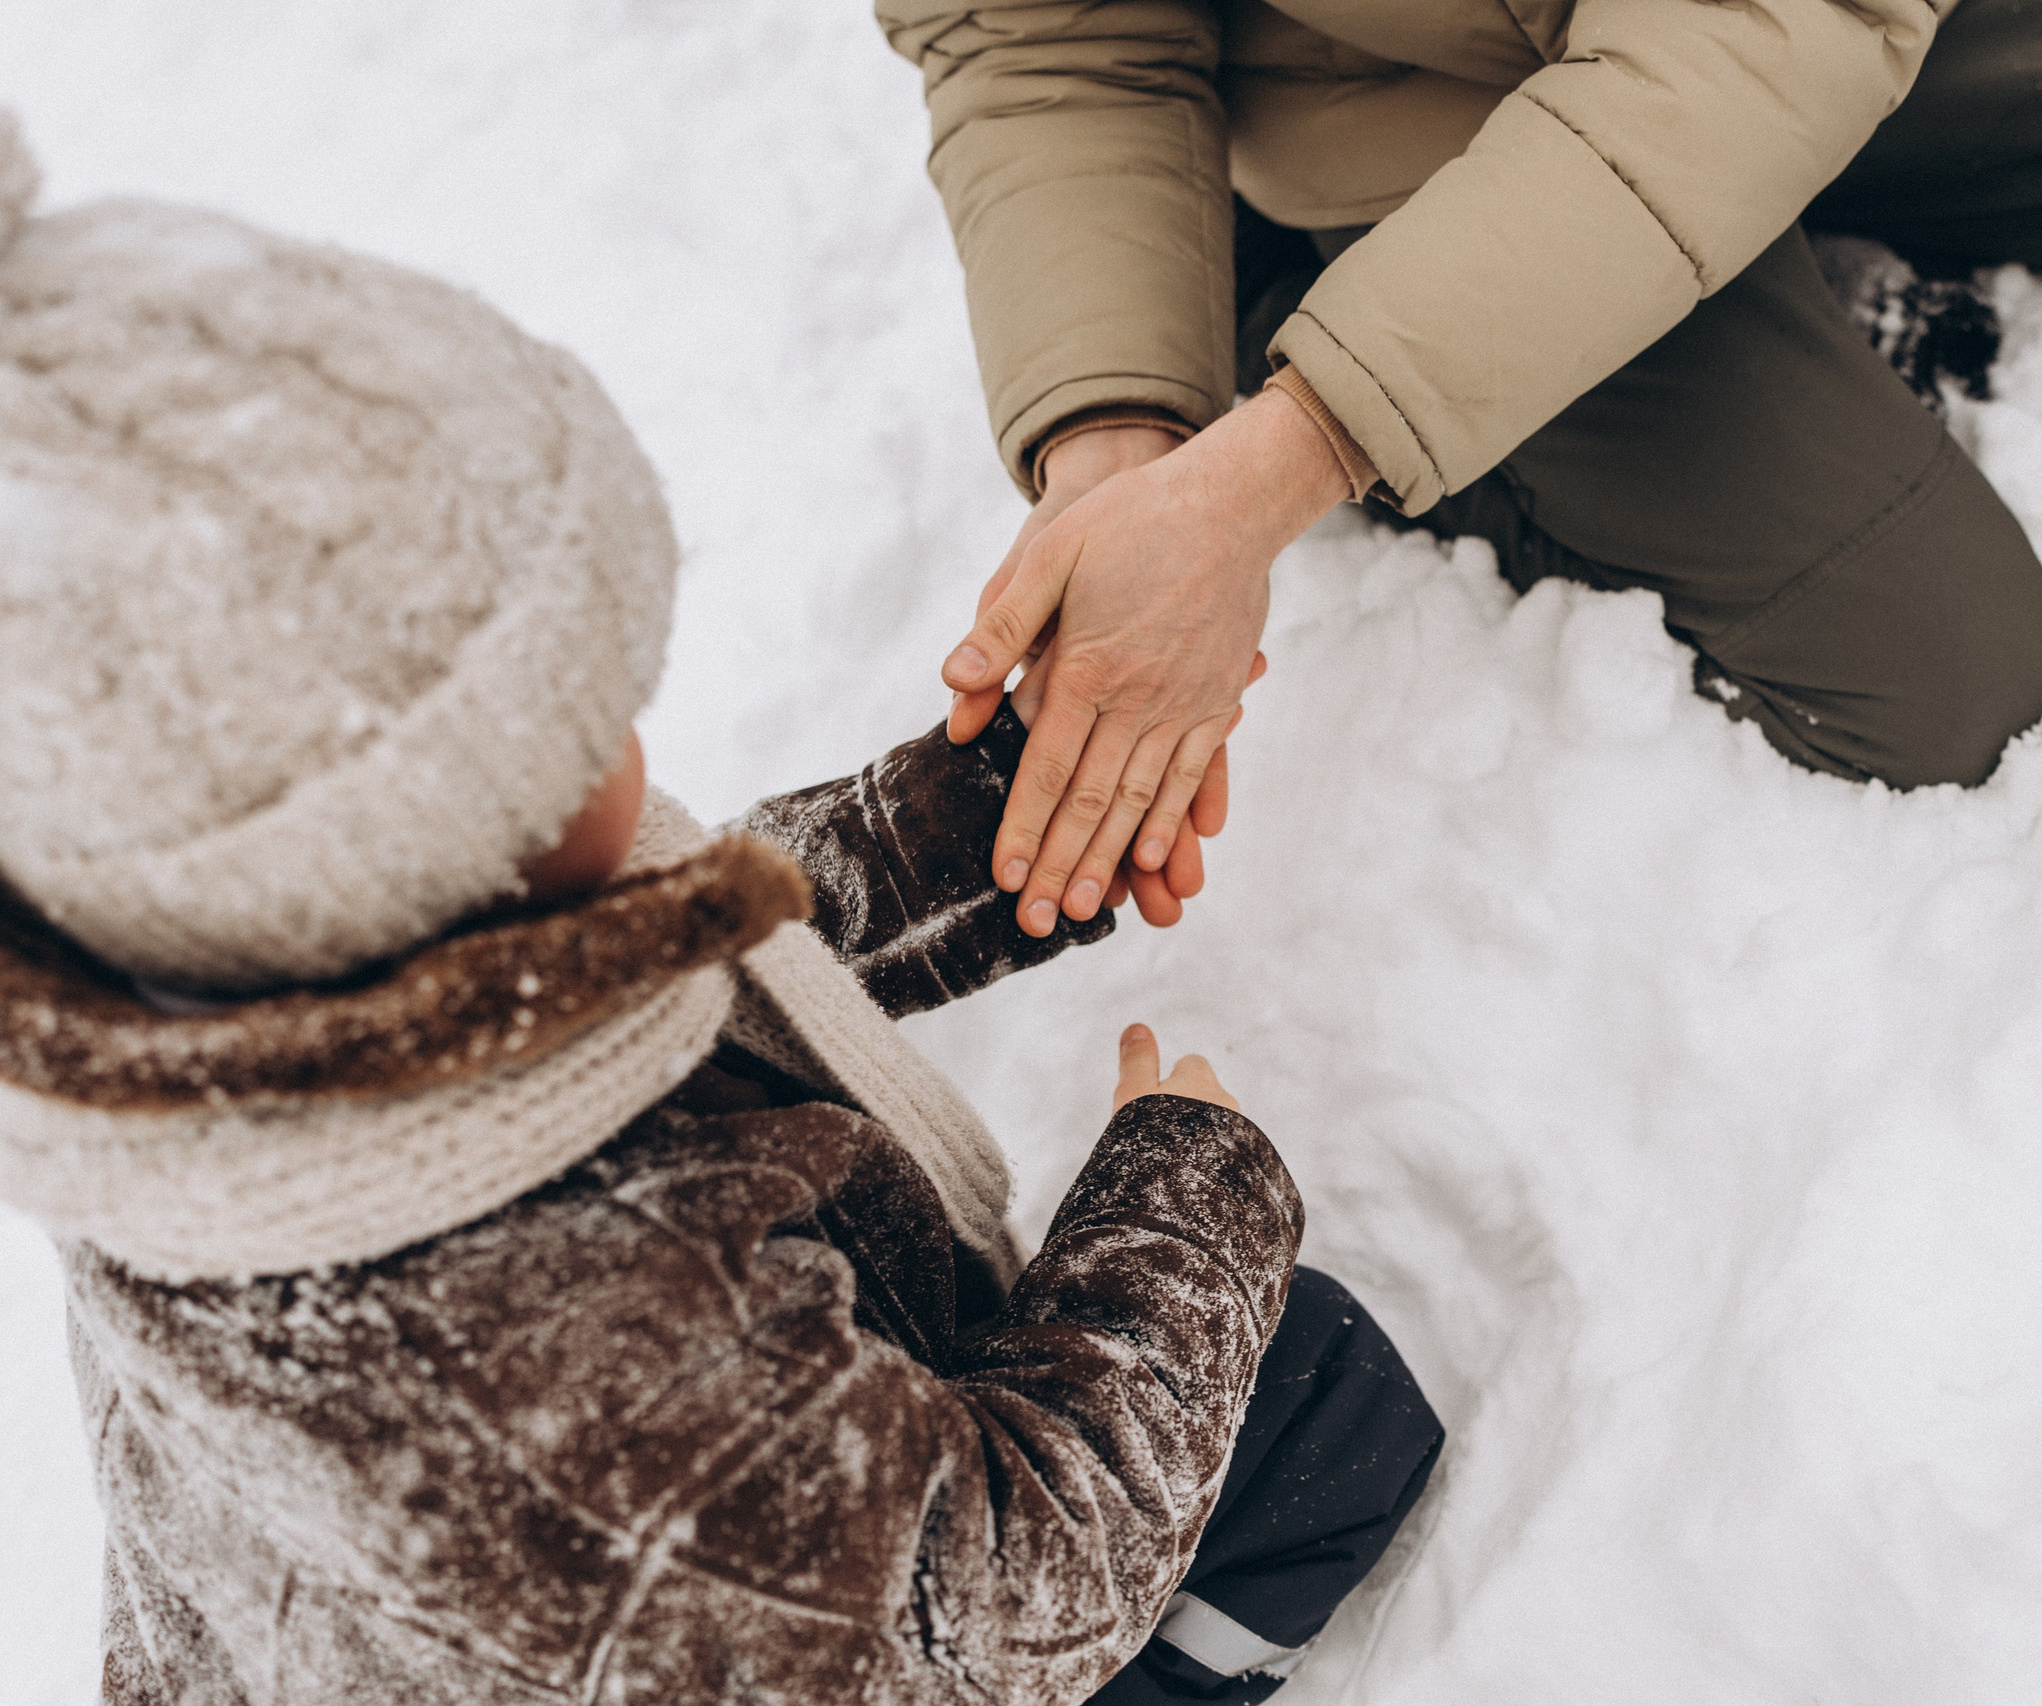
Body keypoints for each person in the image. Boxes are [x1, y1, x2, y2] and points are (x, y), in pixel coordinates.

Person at [0, 116, 1438, 1705]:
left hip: (621, 1598)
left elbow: (654, 961)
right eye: (576, 743)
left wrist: (965, 836)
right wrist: (1182, 1206)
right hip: (823, 1626)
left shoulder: (207, 1039)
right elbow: (995, 1597)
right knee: (1315, 1402)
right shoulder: (542, 1375)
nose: (632, 753)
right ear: (399, 878)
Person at [879, 0, 2042, 937]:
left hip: (1796, 22)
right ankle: (1307, 311)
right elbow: (1051, 37)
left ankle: (1765, 240)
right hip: (1389, 125)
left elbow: (1771, 23)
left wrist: (1265, 476)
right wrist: (1143, 453)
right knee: (1962, 692)